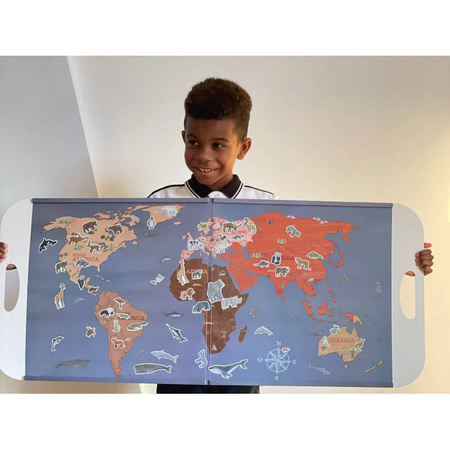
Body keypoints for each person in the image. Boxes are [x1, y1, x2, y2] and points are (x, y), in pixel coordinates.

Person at [0, 77, 435, 393]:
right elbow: (123, 270)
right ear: (183, 138)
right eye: (193, 142)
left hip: (241, 354)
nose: (203, 155)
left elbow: (317, 265)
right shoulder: (160, 203)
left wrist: (408, 262)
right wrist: (12, 254)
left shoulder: (266, 208)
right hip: (176, 359)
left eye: (218, 144)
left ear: (243, 147)